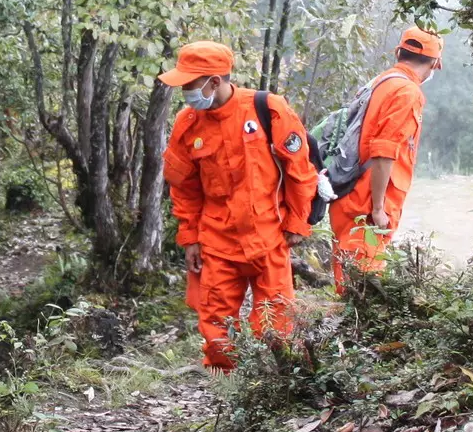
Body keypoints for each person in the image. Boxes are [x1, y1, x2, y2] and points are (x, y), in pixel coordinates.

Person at [160, 40, 318, 370]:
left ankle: (277, 390)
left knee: (277, 329)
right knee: (216, 333)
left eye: (189, 84)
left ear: (214, 81)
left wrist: (297, 222)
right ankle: (228, 389)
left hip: (269, 237)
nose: (185, 91)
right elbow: (184, 188)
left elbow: (300, 170)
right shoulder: (187, 125)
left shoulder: (267, 109)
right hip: (217, 242)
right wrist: (190, 238)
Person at [329, 28, 442, 292]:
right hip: (366, 207)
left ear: (399, 52)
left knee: (350, 285)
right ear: (436, 63)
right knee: (362, 292)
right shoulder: (406, 92)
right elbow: (384, 151)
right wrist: (378, 208)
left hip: (350, 197)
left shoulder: (382, 81)